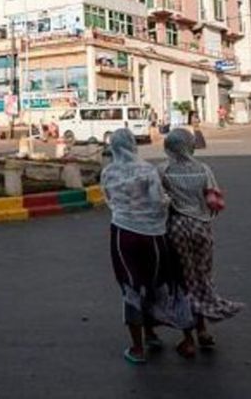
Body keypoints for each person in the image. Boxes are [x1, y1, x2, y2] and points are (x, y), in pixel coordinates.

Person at [101, 128, 195, 364]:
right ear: (133, 145)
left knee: (131, 286)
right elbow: (159, 200)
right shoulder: (147, 170)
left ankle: (138, 347)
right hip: (154, 234)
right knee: (164, 282)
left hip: (123, 234)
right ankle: (185, 337)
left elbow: (109, 200)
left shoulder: (108, 172)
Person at [160, 128, 244, 350]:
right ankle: (203, 329)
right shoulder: (203, 169)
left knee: (183, 280)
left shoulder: (163, 170)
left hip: (176, 228)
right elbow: (213, 198)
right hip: (201, 227)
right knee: (202, 277)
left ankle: (188, 339)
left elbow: (159, 200)